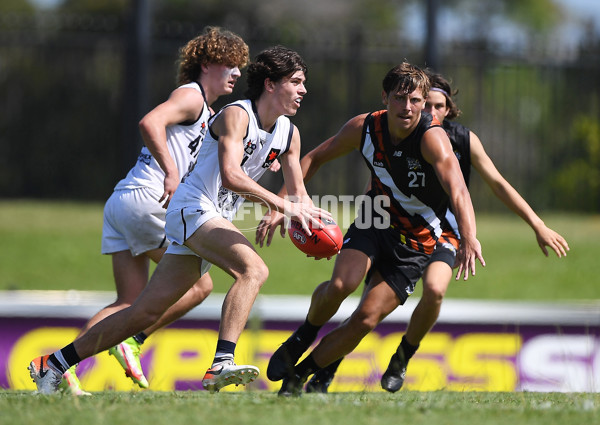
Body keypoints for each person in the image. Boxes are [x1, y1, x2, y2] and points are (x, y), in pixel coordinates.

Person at [28, 45, 329, 395]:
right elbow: (231, 175)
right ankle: (221, 362)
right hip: (192, 207)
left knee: (142, 313)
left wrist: (309, 218)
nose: (304, 90)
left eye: (303, 82)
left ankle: (54, 364)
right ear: (270, 84)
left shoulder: (289, 134)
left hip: (212, 215)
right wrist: (282, 205)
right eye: (296, 81)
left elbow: (298, 193)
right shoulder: (237, 115)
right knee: (254, 270)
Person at [302, 70, 570, 394]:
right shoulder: (394, 130)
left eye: (436, 105)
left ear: (449, 109)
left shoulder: (460, 139)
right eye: (421, 103)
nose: (428, 111)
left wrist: (537, 225)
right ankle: (326, 369)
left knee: (435, 290)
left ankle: (402, 356)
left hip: (444, 231)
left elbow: (497, 183)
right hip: (391, 225)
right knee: (364, 308)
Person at [256, 62, 485, 396]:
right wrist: (283, 204)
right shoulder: (364, 127)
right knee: (340, 284)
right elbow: (313, 158)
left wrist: (469, 235)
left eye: (416, 101)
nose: (407, 107)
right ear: (385, 97)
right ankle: (302, 336)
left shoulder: (433, 138)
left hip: (417, 242)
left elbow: (459, 190)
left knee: (366, 318)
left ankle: (301, 374)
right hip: (374, 219)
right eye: (399, 98)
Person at [56, 26, 250, 396]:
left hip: (123, 200)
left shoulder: (208, 110)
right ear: (208, 64)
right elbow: (150, 121)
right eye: (230, 65)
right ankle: (133, 340)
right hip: (148, 199)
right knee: (200, 284)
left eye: (239, 67)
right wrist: (171, 171)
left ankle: (60, 367)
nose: (237, 74)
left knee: (129, 301)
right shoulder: (192, 97)